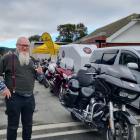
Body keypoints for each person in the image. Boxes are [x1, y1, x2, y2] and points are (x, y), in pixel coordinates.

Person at [0, 37, 43, 140]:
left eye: (27, 46)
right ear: (17, 46)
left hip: (29, 98)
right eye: (22, 45)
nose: (25, 48)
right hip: (14, 97)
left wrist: (40, 74)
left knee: (28, 126)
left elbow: (39, 78)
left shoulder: (32, 60)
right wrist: (3, 88)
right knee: (13, 126)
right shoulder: (8, 58)